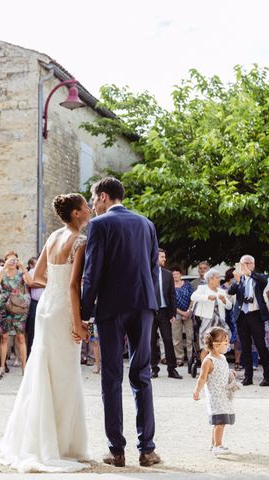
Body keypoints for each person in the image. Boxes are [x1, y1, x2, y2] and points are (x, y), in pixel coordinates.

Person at [0, 193, 92, 472]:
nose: (89, 209)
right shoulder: (80, 241)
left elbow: (34, 276)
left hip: (47, 306)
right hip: (64, 309)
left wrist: (57, 281)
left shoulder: (52, 237)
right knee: (64, 376)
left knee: (44, 371)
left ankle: (41, 440)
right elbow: (74, 286)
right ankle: (60, 445)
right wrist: (78, 322)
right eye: (85, 206)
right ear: (76, 213)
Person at [81, 177, 161, 468]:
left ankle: (117, 450)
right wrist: (151, 304)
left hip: (111, 307)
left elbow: (93, 271)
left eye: (93, 198)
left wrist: (84, 310)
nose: (92, 205)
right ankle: (147, 449)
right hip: (144, 305)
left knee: (111, 377)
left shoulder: (100, 225)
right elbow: (153, 268)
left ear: (103, 196)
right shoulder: (146, 224)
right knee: (142, 376)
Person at [228, 255, 269, 386]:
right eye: (244, 264)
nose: (246, 266)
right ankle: (248, 377)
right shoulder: (239, 279)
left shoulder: (260, 278)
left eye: (249, 263)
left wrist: (250, 273)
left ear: (253, 264)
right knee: (245, 347)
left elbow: (263, 282)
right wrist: (236, 281)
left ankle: (267, 376)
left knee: (261, 345)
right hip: (242, 315)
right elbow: (231, 291)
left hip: (255, 315)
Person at [193, 327, 238, 455]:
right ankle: (218, 445)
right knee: (220, 421)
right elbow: (202, 378)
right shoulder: (208, 361)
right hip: (216, 397)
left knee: (220, 421)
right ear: (216, 345)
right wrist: (197, 391)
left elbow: (222, 371)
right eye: (226, 342)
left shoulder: (222, 358)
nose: (228, 345)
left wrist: (230, 373)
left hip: (224, 395)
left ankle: (213, 444)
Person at [0, 251, 30, 374]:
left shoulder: (21, 274)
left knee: (21, 337)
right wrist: (4, 267)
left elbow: (30, 282)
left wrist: (23, 267)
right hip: (4, 307)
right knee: (4, 337)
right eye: (9, 260)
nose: (12, 262)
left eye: (14, 259)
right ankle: (2, 366)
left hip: (18, 307)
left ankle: (24, 367)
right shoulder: (3, 273)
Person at [151, 249, 181, 379]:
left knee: (168, 340)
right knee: (151, 341)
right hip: (150, 312)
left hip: (164, 312)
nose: (164, 259)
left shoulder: (168, 274)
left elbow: (172, 295)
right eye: (162, 257)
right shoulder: (147, 272)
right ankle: (153, 368)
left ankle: (172, 369)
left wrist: (172, 313)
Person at [191, 269, 232, 361]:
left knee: (219, 346)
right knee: (206, 346)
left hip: (219, 322)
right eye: (217, 278)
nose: (219, 280)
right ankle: (205, 370)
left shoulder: (221, 291)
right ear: (210, 279)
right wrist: (207, 297)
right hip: (206, 321)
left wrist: (224, 300)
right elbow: (193, 297)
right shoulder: (202, 289)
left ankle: (217, 368)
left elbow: (229, 306)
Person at [171, 267, 194, 365]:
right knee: (177, 337)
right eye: (173, 274)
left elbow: (193, 298)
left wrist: (188, 311)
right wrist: (181, 313)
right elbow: (170, 302)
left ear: (180, 274)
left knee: (190, 336)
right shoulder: (170, 286)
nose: (175, 275)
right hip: (176, 313)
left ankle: (190, 358)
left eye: (177, 273)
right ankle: (179, 358)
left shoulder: (187, 285)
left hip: (188, 313)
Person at [23, 256, 43, 358]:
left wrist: (36, 283)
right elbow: (29, 283)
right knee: (32, 330)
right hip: (34, 302)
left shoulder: (49, 270)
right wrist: (43, 284)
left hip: (46, 303)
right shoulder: (31, 272)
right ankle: (30, 356)